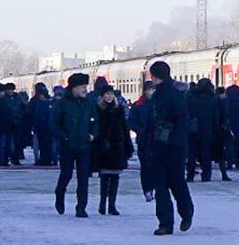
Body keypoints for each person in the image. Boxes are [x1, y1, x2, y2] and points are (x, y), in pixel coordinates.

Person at [144, 61, 195, 235]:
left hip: (172, 147)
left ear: (156, 76)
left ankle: (183, 214)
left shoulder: (172, 95)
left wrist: (173, 140)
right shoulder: (159, 95)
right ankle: (167, 221)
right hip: (162, 145)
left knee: (175, 183)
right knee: (162, 185)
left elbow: (181, 120)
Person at [52, 73, 97, 218]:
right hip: (67, 145)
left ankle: (81, 207)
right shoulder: (62, 103)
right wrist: (64, 137)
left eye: (86, 86)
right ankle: (60, 193)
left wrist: (93, 134)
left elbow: (96, 121)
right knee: (66, 173)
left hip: (84, 145)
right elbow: (54, 123)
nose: (85, 89)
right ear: (74, 88)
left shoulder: (89, 103)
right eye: (82, 87)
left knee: (83, 177)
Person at [92, 85, 134, 215]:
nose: (110, 96)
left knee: (115, 176)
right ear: (102, 96)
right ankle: (102, 204)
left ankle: (111, 205)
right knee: (105, 176)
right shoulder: (97, 109)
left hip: (117, 146)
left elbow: (124, 128)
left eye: (111, 94)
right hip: (104, 147)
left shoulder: (119, 109)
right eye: (107, 94)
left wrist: (128, 144)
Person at [221, 85, 239, 174]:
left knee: (228, 144)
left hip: (227, 125)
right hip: (238, 125)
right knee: (237, 143)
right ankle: (238, 161)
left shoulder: (224, 101)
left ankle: (229, 162)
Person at [30, 84, 56, 168]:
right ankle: (46, 159)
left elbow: (38, 116)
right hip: (46, 128)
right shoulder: (50, 104)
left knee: (44, 145)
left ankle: (45, 160)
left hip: (42, 127)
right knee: (46, 145)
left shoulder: (41, 104)